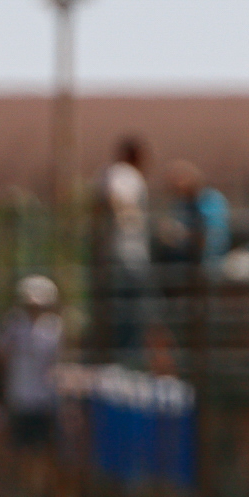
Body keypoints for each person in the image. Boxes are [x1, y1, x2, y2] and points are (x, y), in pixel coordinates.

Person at [0, 273, 66, 497]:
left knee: (43, 456)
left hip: (44, 400)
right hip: (20, 399)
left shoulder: (53, 329)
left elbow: (59, 365)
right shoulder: (12, 327)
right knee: (18, 455)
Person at [100, 136, 151, 358]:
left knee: (123, 306)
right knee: (129, 309)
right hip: (127, 251)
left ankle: (122, 354)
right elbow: (116, 197)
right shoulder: (124, 173)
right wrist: (128, 219)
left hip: (120, 250)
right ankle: (126, 356)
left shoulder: (110, 172)